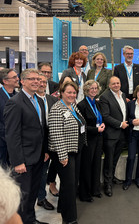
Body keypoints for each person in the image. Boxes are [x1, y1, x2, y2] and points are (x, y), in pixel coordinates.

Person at [4, 69, 48, 224]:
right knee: (23, 194)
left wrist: (45, 151)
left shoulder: (40, 101)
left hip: (38, 156)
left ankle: (31, 219)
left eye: (38, 79)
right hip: (24, 159)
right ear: (22, 81)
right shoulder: (15, 102)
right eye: (32, 79)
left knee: (33, 191)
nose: (36, 82)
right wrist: (18, 162)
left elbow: (42, 129)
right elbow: (12, 135)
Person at [48, 81, 87, 224]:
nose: (72, 95)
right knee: (70, 186)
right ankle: (69, 218)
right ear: (61, 93)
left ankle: (62, 208)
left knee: (69, 183)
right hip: (64, 153)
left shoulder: (73, 106)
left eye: (74, 92)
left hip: (75, 149)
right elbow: (56, 134)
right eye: (68, 92)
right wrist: (62, 156)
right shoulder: (57, 109)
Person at [100, 76, 128, 197]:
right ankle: (107, 184)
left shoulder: (122, 95)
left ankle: (112, 177)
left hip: (122, 134)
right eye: (114, 83)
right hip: (111, 134)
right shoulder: (104, 97)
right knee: (109, 159)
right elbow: (105, 116)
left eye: (118, 83)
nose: (116, 85)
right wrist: (120, 124)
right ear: (109, 85)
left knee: (115, 158)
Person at [77, 80, 105, 202]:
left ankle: (95, 190)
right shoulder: (81, 105)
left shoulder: (97, 103)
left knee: (96, 165)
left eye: (95, 88)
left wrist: (102, 125)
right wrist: (96, 129)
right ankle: (84, 193)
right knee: (86, 167)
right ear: (86, 90)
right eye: (91, 88)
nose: (94, 90)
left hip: (98, 139)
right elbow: (81, 126)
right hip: (88, 140)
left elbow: (99, 118)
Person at [35, 73, 57, 211]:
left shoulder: (52, 100)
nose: (42, 84)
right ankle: (38, 198)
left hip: (51, 142)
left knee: (45, 172)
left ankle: (41, 196)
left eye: (44, 82)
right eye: (40, 81)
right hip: (36, 144)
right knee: (37, 173)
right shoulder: (31, 100)